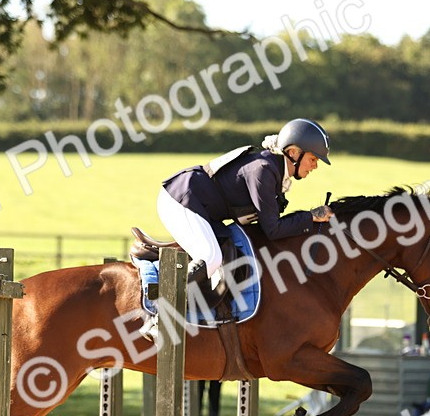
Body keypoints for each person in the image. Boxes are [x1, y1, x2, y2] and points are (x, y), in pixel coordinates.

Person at [140, 119, 334, 337]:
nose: (315, 166)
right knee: (211, 257)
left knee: (222, 254)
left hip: (201, 208)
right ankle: (159, 316)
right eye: (313, 159)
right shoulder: (264, 170)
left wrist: (308, 218)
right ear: (293, 153)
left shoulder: (275, 170)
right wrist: (311, 217)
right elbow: (273, 229)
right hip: (181, 198)